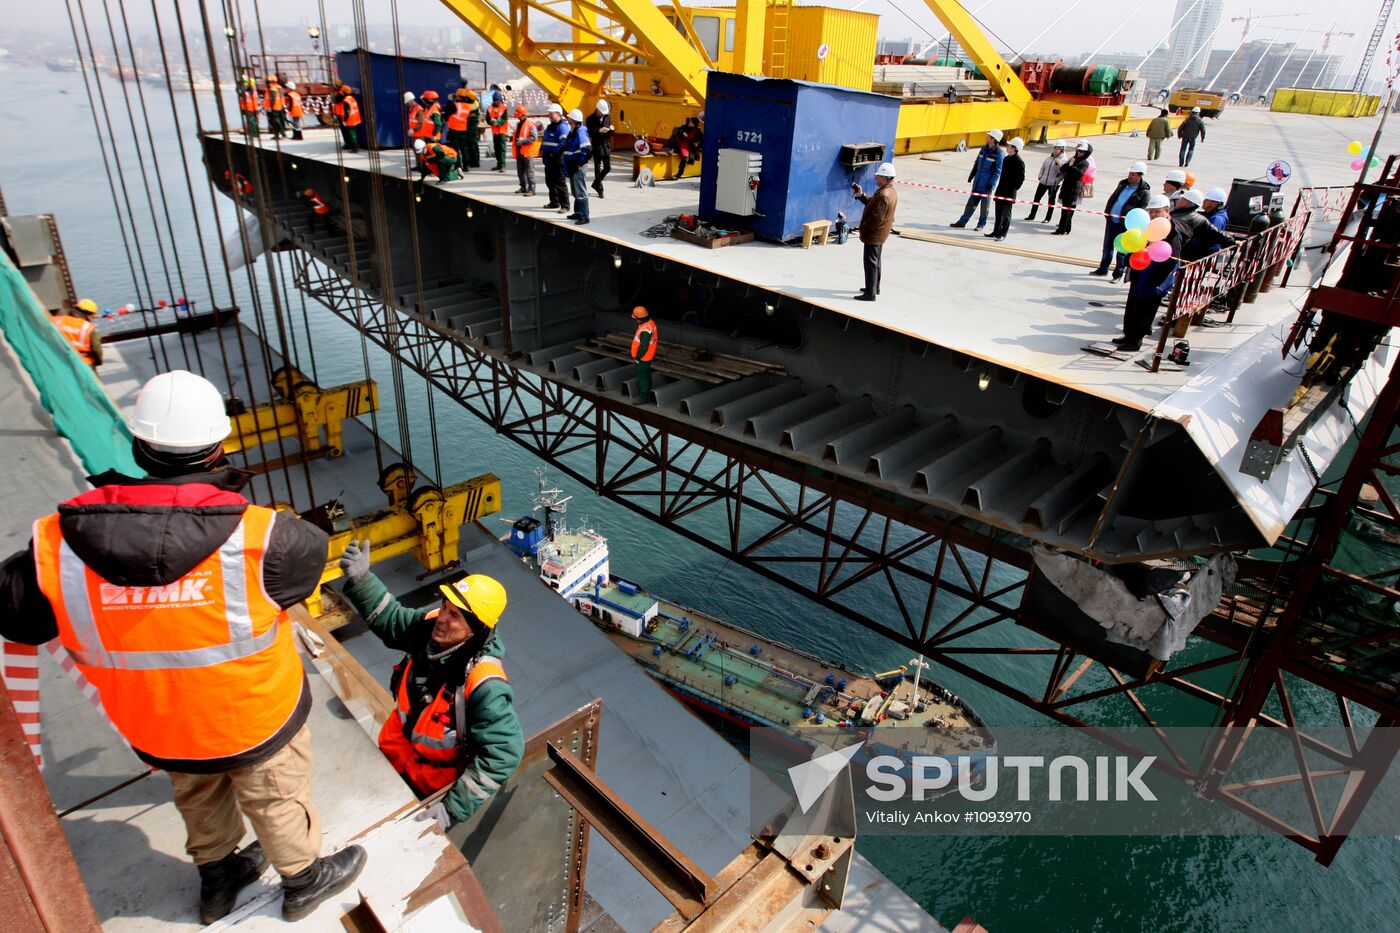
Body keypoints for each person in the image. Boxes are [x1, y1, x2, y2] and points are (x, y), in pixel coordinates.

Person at [0, 370, 366, 923]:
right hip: (254, 717)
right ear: (219, 447)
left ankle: (217, 881)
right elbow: (302, 571)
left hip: (159, 723)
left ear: (139, 445)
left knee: (198, 795)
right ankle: (304, 880)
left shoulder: (56, 544)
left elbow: (18, 617)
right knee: (276, 796)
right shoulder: (265, 537)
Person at [336, 543, 523, 829]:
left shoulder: (484, 684)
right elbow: (394, 622)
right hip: (391, 756)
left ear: (476, 630)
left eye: (455, 615)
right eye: (445, 607)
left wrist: (451, 809)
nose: (442, 618)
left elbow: (504, 751)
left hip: (428, 788)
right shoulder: (432, 628)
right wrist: (363, 580)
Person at [1115, 194, 1180, 351]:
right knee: (1132, 307)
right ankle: (1128, 335)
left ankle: (1135, 341)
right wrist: (1129, 261)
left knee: (1144, 312)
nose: (1152, 215)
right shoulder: (1147, 227)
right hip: (1139, 272)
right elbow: (1137, 245)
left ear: (1166, 211)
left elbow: (1171, 259)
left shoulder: (1172, 232)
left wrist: (1156, 280)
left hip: (1154, 279)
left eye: (1156, 212)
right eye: (1151, 212)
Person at [1091, 161, 1150, 281]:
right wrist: (1108, 211)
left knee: (1121, 250)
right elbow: (1114, 198)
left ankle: (1118, 274)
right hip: (1112, 220)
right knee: (1107, 246)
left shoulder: (1144, 192)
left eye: (1133, 174)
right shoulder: (1122, 184)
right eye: (1130, 173)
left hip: (1124, 225)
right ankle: (1103, 269)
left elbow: (1141, 210)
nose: (1130, 176)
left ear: (1140, 176)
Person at [852, 162, 898, 301]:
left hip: (875, 235)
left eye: (878, 176)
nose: (876, 178)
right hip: (881, 234)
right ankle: (874, 287)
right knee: (876, 262)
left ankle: (870, 294)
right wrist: (861, 195)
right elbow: (872, 203)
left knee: (870, 263)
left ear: (884, 178)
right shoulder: (889, 191)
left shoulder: (884, 195)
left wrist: (862, 228)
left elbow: (876, 218)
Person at [951, 129, 1003, 230]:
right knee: (970, 204)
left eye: (989, 136)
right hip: (977, 183)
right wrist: (972, 175)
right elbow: (977, 163)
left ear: (993, 139)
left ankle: (981, 225)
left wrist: (991, 184)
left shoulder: (999, 154)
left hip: (986, 185)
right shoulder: (983, 149)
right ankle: (962, 222)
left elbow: (998, 172)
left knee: (984, 207)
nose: (987, 137)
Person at [1174, 188, 1235, 262]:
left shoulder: (1217, 219)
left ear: (1215, 203)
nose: (1203, 201)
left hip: (1202, 254)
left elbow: (1212, 235)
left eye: (1206, 200)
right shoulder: (1206, 215)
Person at [988, 137, 1025, 241]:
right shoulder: (1006, 159)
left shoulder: (1019, 162)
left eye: (1009, 146)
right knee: (998, 213)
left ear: (1014, 148)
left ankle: (1002, 234)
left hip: (1009, 193)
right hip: (1001, 190)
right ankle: (996, 232)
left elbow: (1021, 179)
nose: (1007, 147)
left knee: (1006, 215)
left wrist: (1013, 189)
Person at [1053, 142, 1092, 235]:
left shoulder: (1085, 163)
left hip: (1073, 189)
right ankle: (1067, 228)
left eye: (1082, 151)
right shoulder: (1073, 159)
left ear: (1086, 153)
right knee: (1066, 210)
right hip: (1066, 186)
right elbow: (1062, 169)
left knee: (1066, 210)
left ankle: (1062, 229)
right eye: (1079, 151)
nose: (1079, 153)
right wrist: (1069, 164)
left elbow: (1080, 174)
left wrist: (1071, 166)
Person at [54, 297, 103, 369]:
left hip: (61, 360)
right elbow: (96, 349)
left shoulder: (57, 320)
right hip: (84, 363)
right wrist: (98, 362)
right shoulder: (88, 328)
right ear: (89, 315)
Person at [563, 108, 592, 225]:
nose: (567, 119)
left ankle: (584, 216)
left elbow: (587, 149)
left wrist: (580, 163)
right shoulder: (573, 131)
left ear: (574, 120)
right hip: (573, 165)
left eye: (569, 118)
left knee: (580, 192)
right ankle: (578, 212)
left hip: (578, 166)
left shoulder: (580, 131)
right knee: (575, 191)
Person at [1025, 141, 1066, 223]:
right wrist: (1040, 176)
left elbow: (1063, 173)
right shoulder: (1049, 157)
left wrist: (1057, 179)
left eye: (1057, 149)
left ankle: (1048, 218)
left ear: (1062, 150)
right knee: (1037, 198)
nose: (1055, 150)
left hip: (1053, 184)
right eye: (1055, 148)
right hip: (1043, 181)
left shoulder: (1064, 160)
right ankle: (1032, 215)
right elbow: (1043, 167)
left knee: (1051, 201)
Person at [541, 104, 570, 214]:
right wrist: (542, 150)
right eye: (549, 114)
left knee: (560, 183)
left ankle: (565, 205)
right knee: (550, 182)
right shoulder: (550, 126)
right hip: (549, 159)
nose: (550, 116)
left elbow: (564, 142)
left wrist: (554, 153)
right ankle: (554, 202)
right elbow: (545, 140)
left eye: (551, 114)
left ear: (558, 114)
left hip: (558, 159)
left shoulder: (562, 126)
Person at [446, 88, 478, 172]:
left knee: (455, 149)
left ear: (459, 97)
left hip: (454, 129)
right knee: (464, 148)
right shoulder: (468, 107)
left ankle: (458, 166)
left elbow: (447, 110)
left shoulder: (455, 105)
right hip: (463, 129)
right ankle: (466, 166)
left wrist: (449, 100)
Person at [586, 100, 613, 198]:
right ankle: (600, 189)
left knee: (607, 167)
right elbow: (589, 132)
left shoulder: (607, 117)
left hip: (606, 146)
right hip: (597, 146)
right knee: (597, 168)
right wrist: (599, 131)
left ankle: (596, 183)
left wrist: (611, 130)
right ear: (597, 110)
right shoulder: (590, 119)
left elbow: (609, 132)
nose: (602, 114)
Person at [630, 305, 658, 399]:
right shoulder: (651, 323)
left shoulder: (645, 330)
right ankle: (647, 393)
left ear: (640, 319)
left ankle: (643, 397)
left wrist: (637, 358)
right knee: (646, 375)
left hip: (643, 358)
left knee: (642, 377)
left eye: (635, 318)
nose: (635, 320)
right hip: (648, 356)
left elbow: (644, 347)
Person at [512, 105, 540, 196]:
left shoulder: (530, 124)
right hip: (519, 151)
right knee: (520, 171)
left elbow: (534, 137)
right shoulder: (519, 124)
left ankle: (532, 189)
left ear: (524, 115)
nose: (518, 118)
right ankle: (523, 187)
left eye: (519, 116)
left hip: (527, 152)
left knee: (529, 171)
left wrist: (522, 142)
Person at [333, 84, 362, 151]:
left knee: (350, 133)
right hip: (355, 118)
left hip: (347, 118)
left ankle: (353, 146)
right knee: (352, 132)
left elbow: (347, 110)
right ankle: (352, 145)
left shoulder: (343, 98)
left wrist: (345, 120)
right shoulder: (352, 98)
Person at [486, 94, 509, 172]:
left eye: (499, 100)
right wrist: (491, 123)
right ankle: (499, 164)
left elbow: (505, 119)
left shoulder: (504, 108)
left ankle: (503, 165)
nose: (498, 102)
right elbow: (487, 119)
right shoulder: (489, 108)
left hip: (502, 131)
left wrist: (498, 123)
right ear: (494, 100)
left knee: (502, 149)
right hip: (495, 132)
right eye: (496, 101)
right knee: (497, 149)